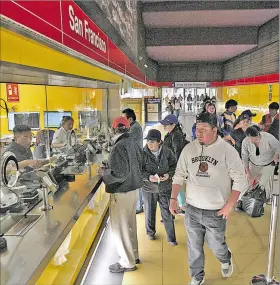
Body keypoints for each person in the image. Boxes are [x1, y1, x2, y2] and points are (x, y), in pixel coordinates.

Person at [170, 112, 247, 285]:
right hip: (192, 208)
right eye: (197, 129)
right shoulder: (189, 149)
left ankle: (225, 258)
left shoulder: (227, 150)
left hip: (216, 210)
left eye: (204, 129)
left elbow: (240, 179)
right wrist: (173, 199)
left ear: (215, 130)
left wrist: (230, 205)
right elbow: (179, 175)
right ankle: (197, 275)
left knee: (216, 245)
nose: (199, 133)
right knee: (194, 246)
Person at [100, 116, 142, 273]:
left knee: (120, 228)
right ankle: (134, 254)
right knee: (130, 225)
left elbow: (120, 173)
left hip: (122, 191)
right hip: (133, 189)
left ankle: (127, 261)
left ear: (113, 129)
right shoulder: (133, 142)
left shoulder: (119, 147)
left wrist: (104, 173)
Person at [142, 129, 177, 245]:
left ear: (159, 142)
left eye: (152, 142)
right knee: (149, 212)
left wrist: (169, 175)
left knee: (167, 213)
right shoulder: (142, 153)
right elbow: (138, 170)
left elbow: (174, 165)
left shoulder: (167, 152)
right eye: (148, 141)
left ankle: (171, 238)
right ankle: (150, 233)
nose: (149, 144)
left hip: (165, 188)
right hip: (149, 189)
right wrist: (148, 177)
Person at [242, 126, 279, 202]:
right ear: (248, 138)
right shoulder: (245, 142)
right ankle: (242, 201)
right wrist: (248, 173)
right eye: (252, 139)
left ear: (258, 134)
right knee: (248, 183)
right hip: (253, 164)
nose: (255, 141)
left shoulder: (269, 138)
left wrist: (276, 155)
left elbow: (278, 147)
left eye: (257, 139)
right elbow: (244, 157)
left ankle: (263, 200)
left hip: (268, 164)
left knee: (264, 186)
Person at [160, 114, 188, 215]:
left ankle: (183, 205)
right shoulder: (171, 133)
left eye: (166, 124)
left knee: (176, 184)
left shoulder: (176, 135)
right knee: (175, 185)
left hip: (174, 165)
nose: (164, 126)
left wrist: (175, 167)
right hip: (171, 164)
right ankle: (182, 205)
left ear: (173, 124)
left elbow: (178, 152)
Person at [122, 108, 144, 214]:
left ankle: (139, 207)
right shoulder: (132, 126)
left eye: (124, 119)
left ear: (130, 119)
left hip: (136, 157)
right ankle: (140, 203)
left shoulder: (135, 128)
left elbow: (126, 141)